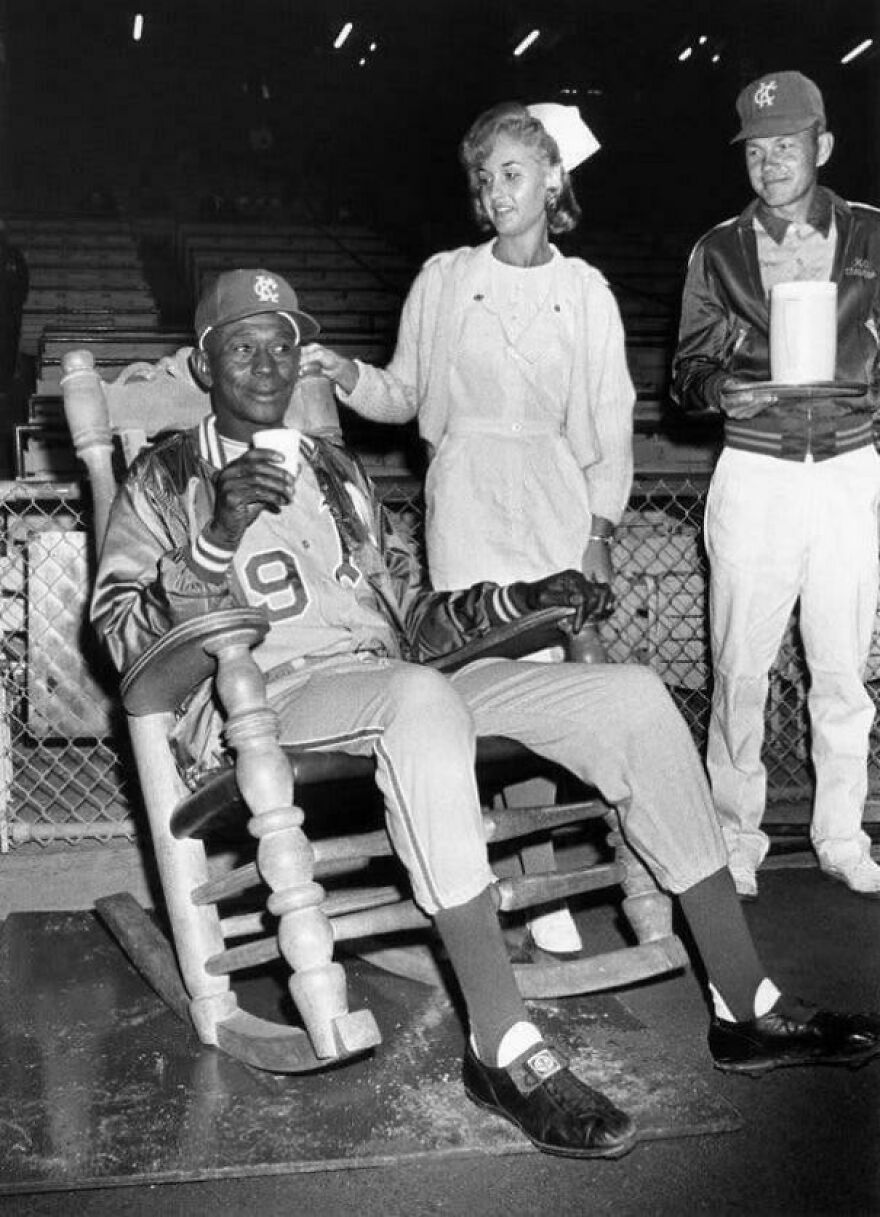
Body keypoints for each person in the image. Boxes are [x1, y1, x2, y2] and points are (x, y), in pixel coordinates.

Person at [92, 269, 880, 1161]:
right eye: (242, 346)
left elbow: (414, 624)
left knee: (631, 697)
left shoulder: (334, 470)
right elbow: (126, 647)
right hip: (261, 702)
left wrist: (519, 599)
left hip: (385, 677)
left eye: (282, 344)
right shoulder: (165, 475)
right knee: (420, 702)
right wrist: (212, 537)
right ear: (204, 364)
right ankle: (502, 1045)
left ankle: (747, 1003)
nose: (268, 364)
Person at [300, 100, 634, 955]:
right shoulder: (445, 277)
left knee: (565, 693)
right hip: (468, 501)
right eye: (484, 179)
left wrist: (596, 531)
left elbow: (611, 424)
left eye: (512, 173)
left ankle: (589, 862)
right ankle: (519, 878)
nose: (495, 192)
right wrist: (343, 373)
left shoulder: (585, 290)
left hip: (556, 501)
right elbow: (404, 396)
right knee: (484, 690)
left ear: (555, 177)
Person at [671, 70, 880, 902]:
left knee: (841, 667)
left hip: (846, 468)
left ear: (821, 147)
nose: (771, 162)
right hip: (754, 469)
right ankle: (734, 833)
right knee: (740, 667)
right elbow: (686, 375)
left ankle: (841, 833)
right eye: (757, 150)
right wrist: (725, 391)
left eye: (786, 145)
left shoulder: (871, 233)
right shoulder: (716, 249)